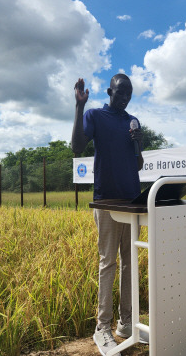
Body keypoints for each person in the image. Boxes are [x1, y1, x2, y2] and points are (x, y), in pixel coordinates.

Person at [72, 74, 147, 356]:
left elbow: (137, 164)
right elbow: (77, 146)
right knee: (108, 263)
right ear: (109, 91)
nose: (124, 97)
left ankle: (126, 324)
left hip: (132, 200)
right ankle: (102, 328)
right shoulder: (95, 116)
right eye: (120, 92)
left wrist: (139, 143)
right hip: (106, 200)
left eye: (128, 93)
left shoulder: (132, 121)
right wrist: (79, 106)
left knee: (130, 263)